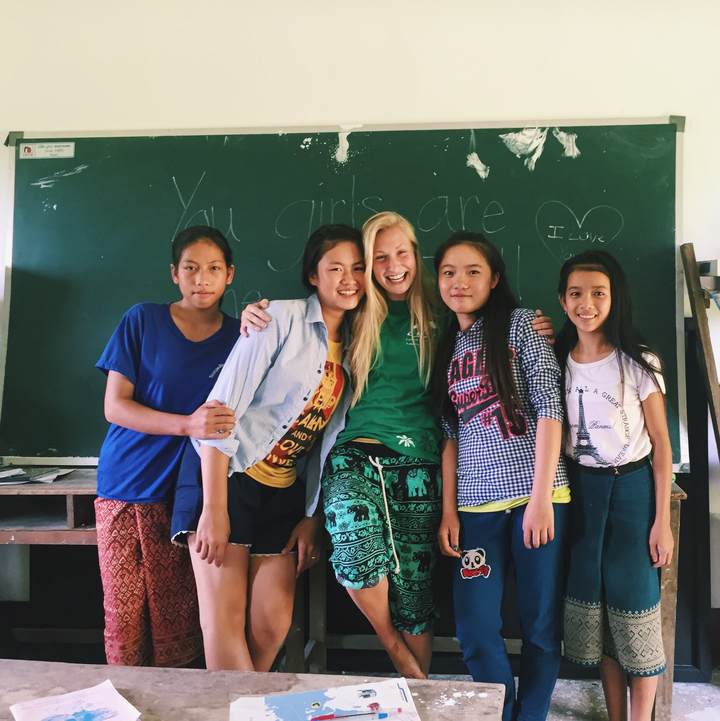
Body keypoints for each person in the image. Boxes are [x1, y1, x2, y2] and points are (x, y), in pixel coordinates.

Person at [242, 212, 556, 680]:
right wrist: (252, 315)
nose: (392, 266)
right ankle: (395, 650)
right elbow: (300, 324)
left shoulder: (446, 313)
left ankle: (418, 696)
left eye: (402, 254)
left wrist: (542, 327)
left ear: (417, 256)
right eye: (379, 257)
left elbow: (497, 334)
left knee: (414, 588)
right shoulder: (354, 310)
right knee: (355, 554)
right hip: (356, 453)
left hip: (424, 461)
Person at [171, 224, 365, 672]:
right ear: (313, 275)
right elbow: (218, 414)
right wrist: (214, 509)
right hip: (229, 477)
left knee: (271, 627)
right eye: (335, 267)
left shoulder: (357, 344)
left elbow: (324, 445)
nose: (348, 277)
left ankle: (235, 709)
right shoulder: (277, 319)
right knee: (223, 626)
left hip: (283, 493)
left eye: (357, 268)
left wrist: (310, 516)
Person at [434, 232, 569, 721]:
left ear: (494, 278)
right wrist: (449, 510)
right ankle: (501, 712)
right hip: (475, 507)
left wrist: (540, 500)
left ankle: (529, 717)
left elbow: (550, 408)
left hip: (538, 498)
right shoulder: (445, 344)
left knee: (538, 625)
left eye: (473, 271)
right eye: (449, 272)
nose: (460, 282)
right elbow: (449, 434)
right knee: (473, 627)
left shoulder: (521, 326)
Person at [95, 225, 239, 666]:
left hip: (188, 496)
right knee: (124, 616)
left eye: (214, 268)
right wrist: (187, 425)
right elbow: (115, 407)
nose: (203, 279)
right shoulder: (143, 319)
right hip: (128, 483)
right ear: (174, 274)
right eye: (191, 268)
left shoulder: (242, 337)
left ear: (230, 275)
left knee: (178, 621)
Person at [555, 250, 672, 721]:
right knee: (599, 611)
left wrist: (661, 521)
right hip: (581, 491)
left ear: (614, 298)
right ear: (562, 301)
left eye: (597, 293)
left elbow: (662, 446)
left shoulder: (639, 361)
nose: (587, 303)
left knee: (634, 601)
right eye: (576, 293)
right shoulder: (555, 360)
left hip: (633, 490)